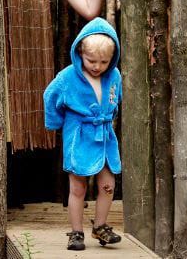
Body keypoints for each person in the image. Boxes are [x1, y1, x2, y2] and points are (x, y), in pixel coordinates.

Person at [44, 17, 123, 250]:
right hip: (79, 136)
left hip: (104, 136)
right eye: (91, 61)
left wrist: (111, 113)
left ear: (112, 58)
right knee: (78, 187)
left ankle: (100, 227)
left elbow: (116, 99)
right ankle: (76, 232)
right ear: (80, 51)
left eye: (104, 62)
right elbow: (50, 96)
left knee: (108, 184)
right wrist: (56, 122)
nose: (97, 66)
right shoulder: (67, 77)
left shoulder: (114, 76)